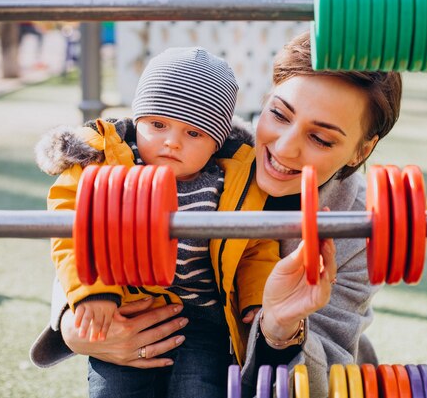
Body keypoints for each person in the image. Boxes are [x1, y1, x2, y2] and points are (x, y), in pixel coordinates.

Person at [30, 32, 402, 397]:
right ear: (266, 98)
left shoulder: (358, 226)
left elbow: (328, 379)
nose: (286, 149)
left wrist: (277, 328)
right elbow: (86, 223)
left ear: (361, 150)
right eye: (279, 114)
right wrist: (70, 323)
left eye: (321, 139)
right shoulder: (215, 151)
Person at [33, 47, 279, 398]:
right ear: (138, 121)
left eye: (194, 133)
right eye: (158, 124)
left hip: (205, 318)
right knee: (114, 391)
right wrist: (94, 291)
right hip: (123, 306)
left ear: (217, 143)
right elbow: (71, 227)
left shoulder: (234, 181)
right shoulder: (104, 162)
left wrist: (257, 300)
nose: (171, 142)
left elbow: (256, 246)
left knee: (201, 390)